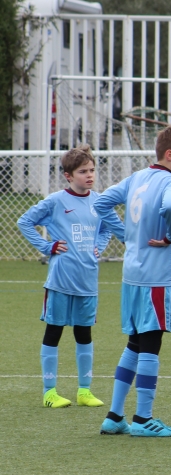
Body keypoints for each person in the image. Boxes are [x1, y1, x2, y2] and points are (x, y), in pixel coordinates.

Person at [94, 125, 171, 437]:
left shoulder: (137, 177)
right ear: (170, 155)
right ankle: (143, 419)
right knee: (151, 344)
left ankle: (114, 416)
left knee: (135, 343)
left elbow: (101, 203)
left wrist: (126, 233)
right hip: (155, 276)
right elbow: (170, 206)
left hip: (131, 275)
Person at [17, 145, 125, 408]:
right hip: (60, 280)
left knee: (84, 334)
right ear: (68, 175)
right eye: (83, 172)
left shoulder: (100, 201)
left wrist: (99, 244)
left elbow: (107, 228)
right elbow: (24, 221)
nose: (89, 176)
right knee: (54, 331)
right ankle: (49, 392)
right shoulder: (56, 201)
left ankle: (84, 391)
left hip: (88, 281)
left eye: (92, 170)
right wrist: (47, 246)